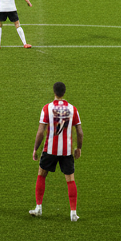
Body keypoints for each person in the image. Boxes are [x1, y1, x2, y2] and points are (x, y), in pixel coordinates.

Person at [29, 81, 82, 222]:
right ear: (64, 92)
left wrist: (35, 149)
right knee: (70, 180)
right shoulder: (73, 109)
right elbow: (80, 132)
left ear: (54, 92)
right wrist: (79, 148)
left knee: (41, 175)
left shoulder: (47, 108)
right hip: (67, 151)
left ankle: (38, 208)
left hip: (50, 150)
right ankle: (73, 213)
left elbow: (40, 132)